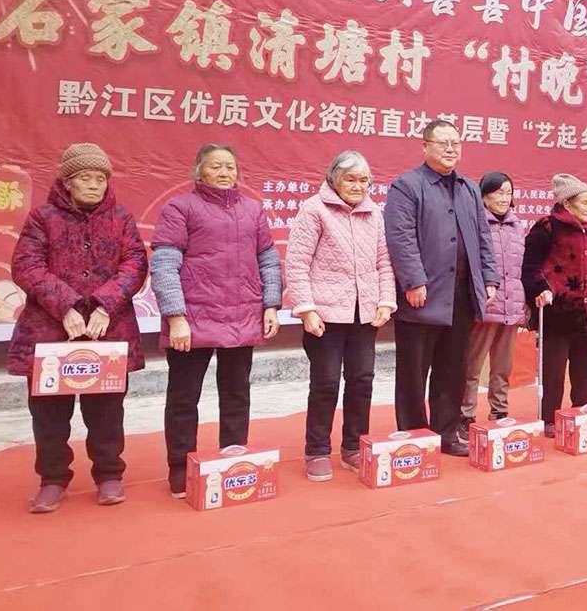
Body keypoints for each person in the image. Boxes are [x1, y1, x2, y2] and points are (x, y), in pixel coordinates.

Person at [7, 144, 148, 512]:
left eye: (100, 178)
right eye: (85, 177)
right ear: (67, 182)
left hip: (108, 330)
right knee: (49, 413)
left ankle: (109, 474)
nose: (94, 185)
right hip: (51, 331)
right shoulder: (43, 217)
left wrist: (105, 304)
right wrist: (66, 305)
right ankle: (53, 479)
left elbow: (135, 264)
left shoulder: (121, 218)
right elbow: (26, 266)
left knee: (107, 410)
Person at [151, 144, 281, 498]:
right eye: (216, 167)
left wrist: (271, 305)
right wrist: (176, 317)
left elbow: (268, 259)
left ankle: (233, 460)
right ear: (199, 172)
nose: (225, 173)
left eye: (230, 167)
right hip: (192, 319)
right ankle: (180, 469)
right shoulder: (180, 207)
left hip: (241, 316)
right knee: (183, 398)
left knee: (237, 394)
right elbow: (164, 264)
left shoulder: (252, 209)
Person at [384, 121, 498, 456]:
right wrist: (413, 280)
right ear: (425, 146)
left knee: (452, 370)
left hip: (460, 295)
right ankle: (414, 436)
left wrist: (489, 278)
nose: (450, 149)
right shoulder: (407, 186)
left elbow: (483, 237)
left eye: (456, 143)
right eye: (443, 142)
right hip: (422, 295)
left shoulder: (469, 188)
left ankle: (446, 433)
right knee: (413, 372)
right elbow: (400, 237)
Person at [285, 151, 396, 480]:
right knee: (326, 383)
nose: (358, 186)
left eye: (364, 180)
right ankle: (317, 450)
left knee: (362, 380)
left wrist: (385, 301)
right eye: (350, 179)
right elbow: (297, 263)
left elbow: (384, 262)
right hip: (325, 315)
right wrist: (306, 309)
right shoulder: (314, 209)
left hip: (365, 314)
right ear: (334, 179)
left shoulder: (374, 212)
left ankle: (353, 447)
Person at [522, 174, 587, 434]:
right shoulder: (547, 227)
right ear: (567, 203)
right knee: (554, 370)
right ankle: (549, 418)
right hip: (558, 310)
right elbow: (529, 267)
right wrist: (540, 289)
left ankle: (581, 413)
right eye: (584, 202)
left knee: (584, 369)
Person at [462, 172, 526, 432]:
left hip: (511, 308)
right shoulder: (475, 224)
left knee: (502, 367)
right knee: (472, 366)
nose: (504, 198)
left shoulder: (517, 226)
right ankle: (465, 414)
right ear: (484, 196)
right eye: (499, 192)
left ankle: (499, 411)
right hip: (485, 307)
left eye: (508, 193)